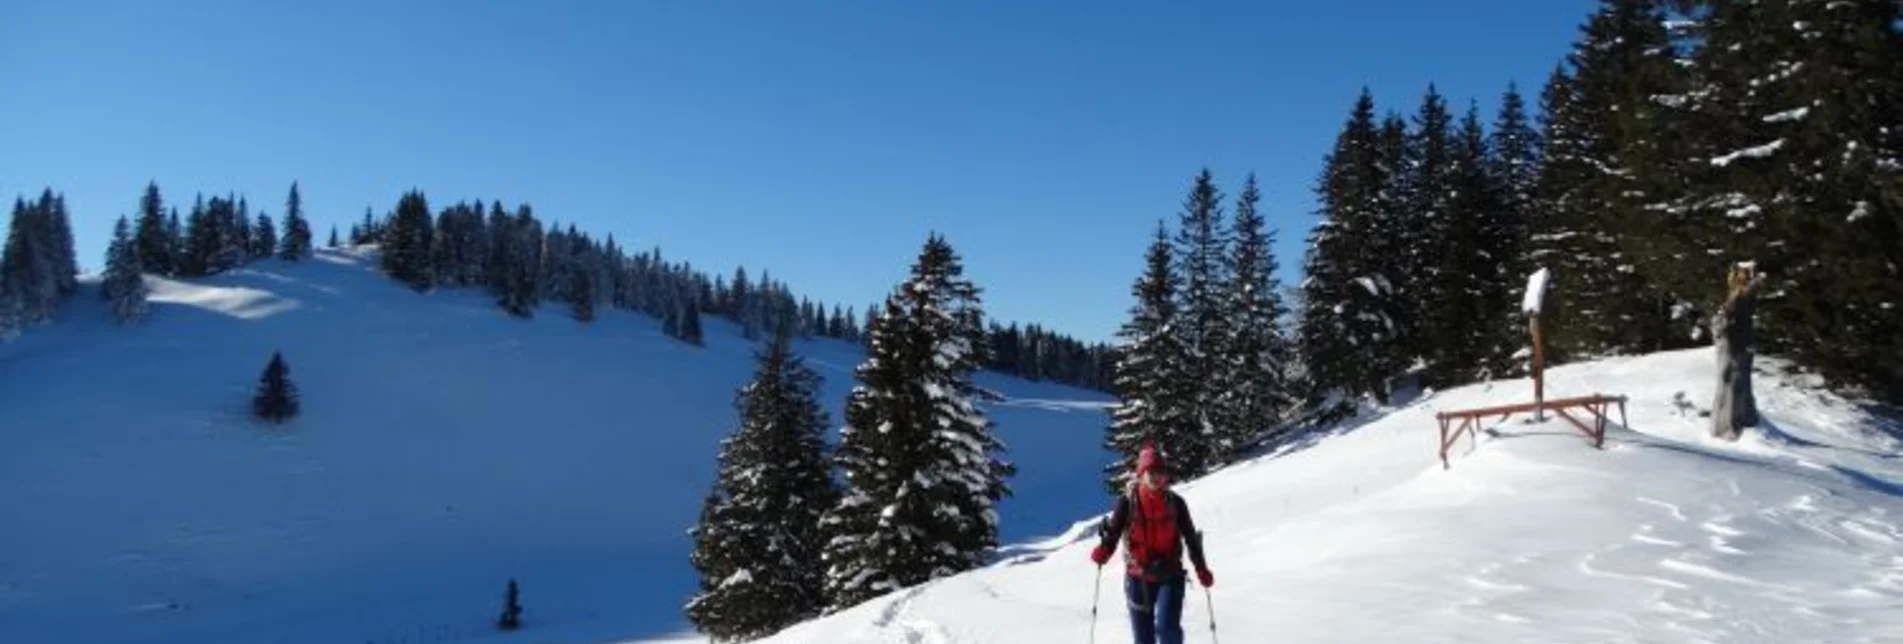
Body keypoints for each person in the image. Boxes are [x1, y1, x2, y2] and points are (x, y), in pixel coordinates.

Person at [1089, 443, 1213, 644]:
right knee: (1143, 639)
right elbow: (1113, 533)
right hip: (1138, 576)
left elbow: (1191, 538)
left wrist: (1201, 569)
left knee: (1167, 631)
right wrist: (1103, 550)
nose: (1156, 476)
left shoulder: (1176, 503)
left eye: (1160, 471)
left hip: (1170, 574)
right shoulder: (1127, 502)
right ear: (1141, 474)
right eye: (1150, 471)